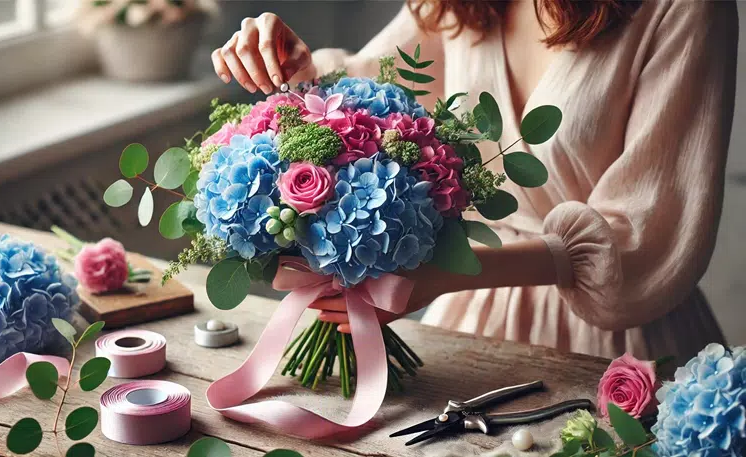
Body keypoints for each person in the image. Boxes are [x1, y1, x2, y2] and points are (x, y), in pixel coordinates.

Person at [211, 0, 737, 362]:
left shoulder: (682, 9)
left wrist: (442, 274)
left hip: (618, 344)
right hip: (469, 322)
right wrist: (296, 67)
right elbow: (371, 92)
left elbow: (648, 237)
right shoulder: (455, 5)